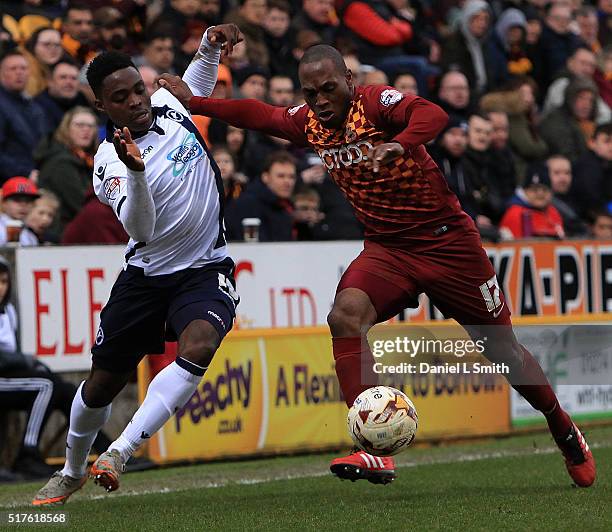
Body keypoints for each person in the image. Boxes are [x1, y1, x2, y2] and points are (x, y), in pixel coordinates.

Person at [164, 44, 596, 487]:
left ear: (349, 81)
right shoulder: (310, 123)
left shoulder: (374, 104)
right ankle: (371, 448)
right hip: (389, 250)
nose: (321, 100)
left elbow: (433, 116)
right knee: (345, 316)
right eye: (311, 92)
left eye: (329, 88)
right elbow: (260, 114)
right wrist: (196, 102)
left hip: (449, 246)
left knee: (502, 352)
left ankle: (562, 427)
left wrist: (398, 144)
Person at [32, 24, 243, 507]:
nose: (137, 101)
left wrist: (209, 45)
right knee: (102, 383)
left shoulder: (170, 108)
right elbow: (142, 229)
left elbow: (197, 83)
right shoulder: (108, 160)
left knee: (200, 343)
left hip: (203, 268)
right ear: (104, 107)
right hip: (146, 277)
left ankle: (121, 452)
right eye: (121, 97)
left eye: (139, 89)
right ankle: (70, 471)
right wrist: (137, 172)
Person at [34, 106, 99, 237]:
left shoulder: (88, 160)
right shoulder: (61, 163)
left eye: (91, 126)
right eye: (80, 125)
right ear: (66, 129)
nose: (86, 130)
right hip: (61, 233)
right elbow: (80, 203)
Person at [0, 49, 49, 183]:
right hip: (10, 182)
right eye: (13, 68)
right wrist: (25, 172)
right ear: (2, 73)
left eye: (23, 68)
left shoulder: (34, 106)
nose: (19, 72)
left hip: (34, 176)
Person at [225, 150, 297, 241]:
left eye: (291, 177)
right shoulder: (246, 205)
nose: (287, 182)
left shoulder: (285, 208)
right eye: (281, 176)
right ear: (265, 177)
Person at [499, 166, 565, 240]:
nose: (540, 193)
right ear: (524, 191)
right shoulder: (515, 213)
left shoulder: (553, 211)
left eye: (545, 189)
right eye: (534, 189)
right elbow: (513, 246)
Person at [0, 177, 40, 246]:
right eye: (17, 200)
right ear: (4, 202)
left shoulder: (31, 235)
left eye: (28, 201)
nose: (23, 205)